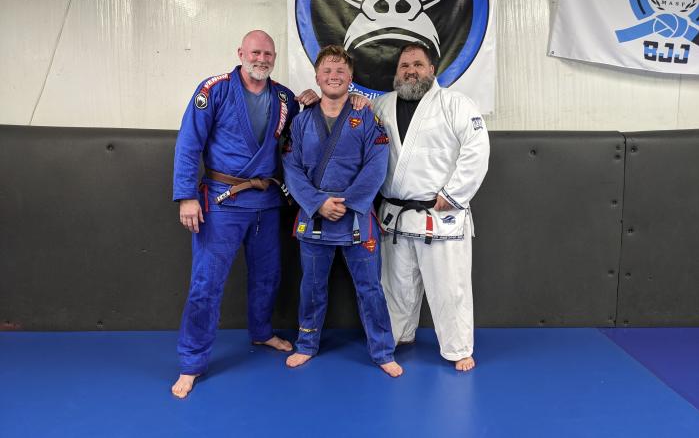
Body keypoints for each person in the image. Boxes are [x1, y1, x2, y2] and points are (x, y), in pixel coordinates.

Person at [170, 30, 320, 398]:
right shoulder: (215, 90)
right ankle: (191, 362)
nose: (262, 59)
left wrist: (315, 103)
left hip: (265, 201)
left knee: (268, 276)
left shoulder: (284, 98)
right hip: (222, 201)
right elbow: (189, 143)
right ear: (241, 53)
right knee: (207, 283)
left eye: (268, 54)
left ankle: (261, 331)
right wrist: (186, 196)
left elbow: (302, 134)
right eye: (255, 52)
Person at [282, 45, 403, 377]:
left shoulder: (367, 118)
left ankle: (382, 351)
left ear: (351, 78)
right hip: (314, 215)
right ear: (317, 77)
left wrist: (347, 202)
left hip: (356, 217)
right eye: (327, 71)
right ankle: (306, 344)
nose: (333, 76)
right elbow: (291, 168)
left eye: (340, 71)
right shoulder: (301, 120)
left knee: (370, 288)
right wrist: (317, 202)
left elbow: (377, 165)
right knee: (311, 286)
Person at [373, 42, 489, 372]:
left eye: (418, 65)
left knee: (449, 287)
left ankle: (458, 348)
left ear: (432, 70)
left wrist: (453, 194)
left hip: (440, 213)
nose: (411, 71)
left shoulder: (456, 104)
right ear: (397, 72)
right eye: (404, 65)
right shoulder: (381, 105)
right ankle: (399, 334)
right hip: (396, 215)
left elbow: (477, 150)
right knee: (396, 285)